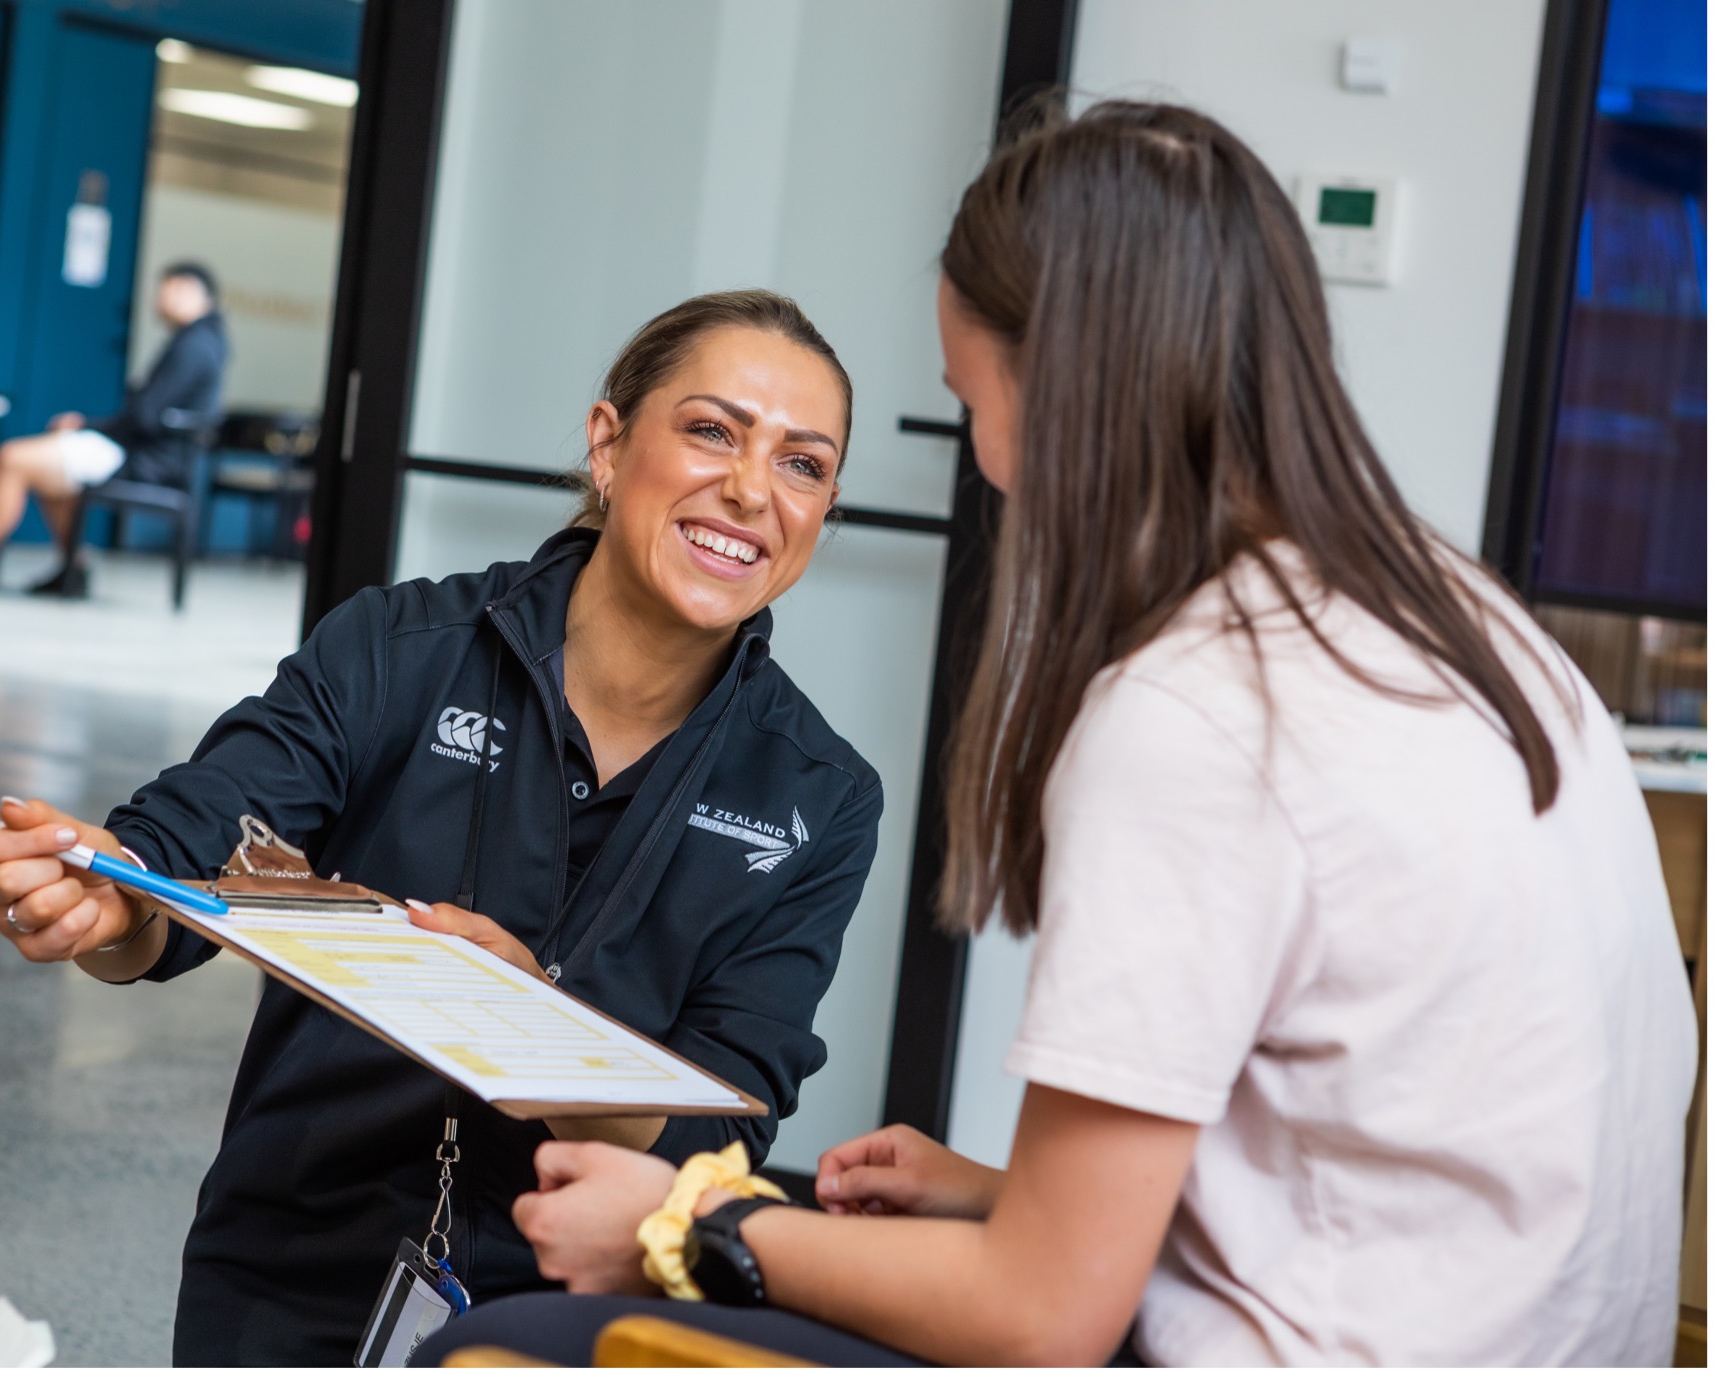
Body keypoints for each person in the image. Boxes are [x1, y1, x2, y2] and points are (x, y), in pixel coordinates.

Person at [415, 100, 1701, 1367]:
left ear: (1068, 393)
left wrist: (690, 1222)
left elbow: (1041, 1318)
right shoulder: (1469, 617)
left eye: (973, 403)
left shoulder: (1198, 707)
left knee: (509, 1343)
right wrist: (997, 1195)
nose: (987, 463)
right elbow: (1373, 1149)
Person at [0, 289, 885, 1365]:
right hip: (296, 1258)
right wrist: (104, 898)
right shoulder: (400, 647)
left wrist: (537, 1029)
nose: (748, 489)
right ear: (607, 443)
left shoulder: (820, 794)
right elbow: (189, 853)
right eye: (711, 431)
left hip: (581, 1304)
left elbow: (722, 1131)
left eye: (802, 463)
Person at [0, 261, 229, 595]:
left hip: (144, 460)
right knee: (49, 471)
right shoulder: (205, 343)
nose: (158, 301)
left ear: (187, 290)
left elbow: (143, 416)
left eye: (164, 291)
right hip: (148, 453)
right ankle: (73, 568)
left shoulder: (193, 347)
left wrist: (87, 425)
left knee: (13, 459)